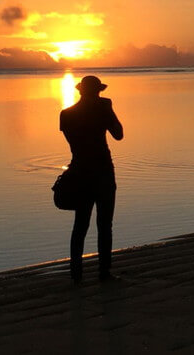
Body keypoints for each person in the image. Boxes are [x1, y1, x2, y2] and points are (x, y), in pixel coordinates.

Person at [59, 75, 124, 283]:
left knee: (80, 224)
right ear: (98, 91)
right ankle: (104, 273)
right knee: (104, 224)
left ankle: (76, 275)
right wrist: (107, 109)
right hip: (102, 171)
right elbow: (119, 134)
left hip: (80, 170)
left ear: (80, 91)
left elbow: (75, 143)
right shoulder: (103, 108)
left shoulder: (66, 114)